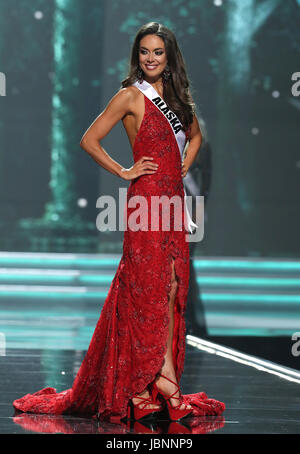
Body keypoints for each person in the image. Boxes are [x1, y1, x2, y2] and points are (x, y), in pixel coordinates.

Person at [13, 22, 225, 424]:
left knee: (173, 284)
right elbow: (89, 139)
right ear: (137, 55)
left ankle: (157, 381)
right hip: (145, 200)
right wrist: (124, 171)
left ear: (169, 57)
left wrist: (184, 165)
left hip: (173, 201)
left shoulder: (179, 100)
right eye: (144, 51)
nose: (150, 58)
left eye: (158, 52)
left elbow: (195, 137)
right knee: (146, 285)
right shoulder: (130, 95)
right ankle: (154, 381)